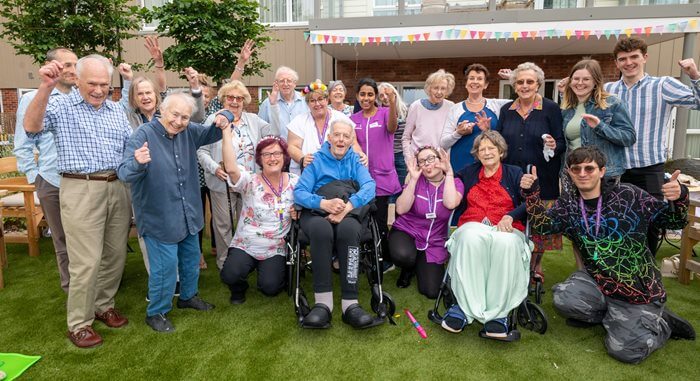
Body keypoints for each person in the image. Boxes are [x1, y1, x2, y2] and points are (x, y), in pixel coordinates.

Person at [521, 146, 696, 363]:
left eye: (589, 168)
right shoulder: (569, 205)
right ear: (570, 173)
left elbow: (673, 222)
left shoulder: (629, 195)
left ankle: (660, 324)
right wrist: (532, 194)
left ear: (602, 171)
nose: (583, 173)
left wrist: (680, 198)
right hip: (599, 282)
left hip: (637, 290)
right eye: (577, 169)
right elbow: (542, 227)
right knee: (564, 298)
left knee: (625, 352)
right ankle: (618, 317)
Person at [23, 55, 133, 348]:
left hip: (117, 185)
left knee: (115, 254)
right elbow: (32, 128)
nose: (98, 90)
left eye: (104, 85)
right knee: (86, 261)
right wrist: (45, 87)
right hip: (80, 187)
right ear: (78, 80)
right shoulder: (60, 104)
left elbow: (129, 146)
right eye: (93, 84)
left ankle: (103, 305)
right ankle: (79, 323)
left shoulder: (115, 110)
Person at [118, 93, 227, 332]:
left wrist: (225, 116)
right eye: (175, 115)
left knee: (190, 261)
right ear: (162, 111)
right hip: (159, 216)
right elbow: (124, 173)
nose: (179, 121)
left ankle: (188, 297)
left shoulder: (189, 131)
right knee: (164, 269)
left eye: (185, 117)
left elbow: (213, 131)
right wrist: (137, 162)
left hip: (188, 213)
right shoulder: (143, 135)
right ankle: (156, 311)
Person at [606, 37, 700, 255]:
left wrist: (694, 75)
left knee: (649, 226)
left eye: (634, 57)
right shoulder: (608, 89)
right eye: (623, 59)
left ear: (645, 57)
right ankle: (615, 280)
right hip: (614, 172)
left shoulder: (662, 85)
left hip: (648, 171)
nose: (629, 63)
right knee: (614, 227)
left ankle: (645, 280)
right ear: (616, 63)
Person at [440, 131, 530, 341]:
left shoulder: (514, 173)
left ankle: (498, 315)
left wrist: (510, 215)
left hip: (507, 227)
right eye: (482, 150)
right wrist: (446, 173)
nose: (487, 152)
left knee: (505, 245)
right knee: (470, 239)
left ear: (500, 151)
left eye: (491, 148)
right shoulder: (468, 173)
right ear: (477, 155)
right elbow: (451, 197)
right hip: (473, 224)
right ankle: (462, 307)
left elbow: (529, 202)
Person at [293, 120, 379, 329]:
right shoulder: (315, 161)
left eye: (346, 136)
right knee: (322, 230)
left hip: (347, 210)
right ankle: (323, 305)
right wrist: (324, 204)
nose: (341, 139)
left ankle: (351, 304)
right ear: (329, 138)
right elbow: (299, 193)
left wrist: (347, 208)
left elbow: (369, 187)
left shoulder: (356, 161)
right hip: (317, 211)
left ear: (351, 140)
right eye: (337, 135)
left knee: (349, 230)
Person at [13, 47, 78, 293]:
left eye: (74, 65)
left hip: (80, 181)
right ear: (50, 66)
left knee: (84, 237)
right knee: (62, 240)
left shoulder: (77, 97)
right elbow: (23, 143)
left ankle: (94, 284)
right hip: (51, 180)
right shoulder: (32, 99)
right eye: (66, 65)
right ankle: (71, 288)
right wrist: (35, 177)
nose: (72, 70)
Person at [198, 80, 279, 270]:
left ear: (244, 101)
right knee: (224, 224)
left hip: (249, 182)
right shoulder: (213, 120)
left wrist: (274, 106)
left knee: (249, 222)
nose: (234, 101)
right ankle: (226, 262)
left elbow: (273, 134)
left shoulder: (253, 120)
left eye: (239, 98)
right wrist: (214, 168)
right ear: (223, 99)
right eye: (230, 97)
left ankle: (248, 257)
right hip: (221, 182)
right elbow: (201, 151)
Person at [495, 62, 565, 276]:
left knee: (540, 223)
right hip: (512, 175)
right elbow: (500, 142)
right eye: (520, 82)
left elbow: (561, 143)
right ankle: (513, 263)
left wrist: (554, 145)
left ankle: (535, 265)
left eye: (530, 81)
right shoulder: (506, 110)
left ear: (538, 84)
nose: (525, 85)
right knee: (513, 218)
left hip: (543, 176)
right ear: (514, 85)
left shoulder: (551, 108)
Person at [219, 134, 299, 304]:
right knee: (230, 275)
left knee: (270, 288)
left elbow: (306, 205)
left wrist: (298, 212)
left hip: (275, 247)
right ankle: (239, 288)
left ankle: (271, 273)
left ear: (284, 157)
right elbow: (232, 169)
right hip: (246, 243)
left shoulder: (295, 182)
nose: (272, 158)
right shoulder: (250, 181)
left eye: (277, 153)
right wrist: (226, 132)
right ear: (259, 159)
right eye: (266, 154)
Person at [389, 147, 463, 297]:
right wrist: (414, 179)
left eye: (430, 159)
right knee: (404, 256)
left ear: (440, 160)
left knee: (432, 291)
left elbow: (450, 204)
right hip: (408, 231)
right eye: (422, 161)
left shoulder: (455, 182)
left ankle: (418, 263)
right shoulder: (415, 180)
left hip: (434, 240)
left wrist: (448, 173)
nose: (427, 164)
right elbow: (401, 209)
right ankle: (408, 267)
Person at [350, 78, 402, 271]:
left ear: (376, 96)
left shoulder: (385, 113)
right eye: (362, 94)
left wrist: (393, 102)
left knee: (379, 221)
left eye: (370, 94)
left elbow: (392, 127)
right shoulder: (352, 120)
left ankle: (385, 260)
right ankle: (368, 257)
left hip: (382, 178)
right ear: (357, 96)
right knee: (362, 220)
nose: (366, 98)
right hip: (360, 179)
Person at [561, 59, 636, 182]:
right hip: (573, 173)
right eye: (576, 79)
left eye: (586, 79)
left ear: (596, 82)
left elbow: (629, 137)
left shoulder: (611, 104)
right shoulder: (567, 108)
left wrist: (600, 126)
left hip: (603, 174)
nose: (580, 83)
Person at [441, 64, 509, 172]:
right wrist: (458, 133)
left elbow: (529, 98)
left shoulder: (497, 105)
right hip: (460, 168)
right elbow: (443, 144)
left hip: (489, 168)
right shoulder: (455, 109)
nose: (475, 81)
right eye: (471, 78)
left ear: (486, 84)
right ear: (466, 84)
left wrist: (513, 78)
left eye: (480, 79)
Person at [287, 80, 364, 175]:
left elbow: (353, 143)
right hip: (308, 172)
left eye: (320, 99)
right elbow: (292, 146)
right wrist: (302, 159)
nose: (317, 104)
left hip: (337, 173)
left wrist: (359, 154)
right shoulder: (299, 121)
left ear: (327, 100)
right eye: (312, 101)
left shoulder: (341, 118)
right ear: (307, 104)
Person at [402, 69, 456, 165]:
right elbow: (406, 137)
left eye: (443, 88)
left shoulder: (451, 107)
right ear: (429, 88)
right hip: (418, 162)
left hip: (440, 163)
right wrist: (409, 160)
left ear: (447, 90)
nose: (439, 92)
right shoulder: (416, 106)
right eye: (436, 88)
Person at [258, 66, 310, 139]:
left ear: (295, 83)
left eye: (289, 81)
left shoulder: (306, 101)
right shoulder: (268, 103)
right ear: (276, 83)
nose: (285, 84)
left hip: (301, 148)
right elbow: (260, 129)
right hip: (277, 148)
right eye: (282, 81)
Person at [378, 82, 409, 185]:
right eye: (381, 95)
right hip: (385, 155)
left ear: (395, 93)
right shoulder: (378, 113)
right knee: (387, 186)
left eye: (388, 94)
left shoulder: (406, 110)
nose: (385, 97)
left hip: (401, 153)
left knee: (402, 185)